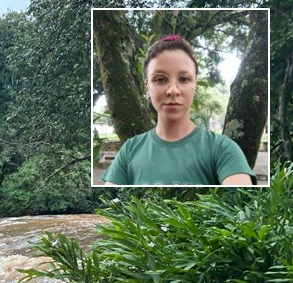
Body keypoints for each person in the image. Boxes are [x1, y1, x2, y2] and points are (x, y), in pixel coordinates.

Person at [103, 35, 256, 186]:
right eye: (160, 79)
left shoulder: (222, 149)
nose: (173, 91)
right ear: (147, 86)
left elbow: (238, 202)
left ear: (194, 84)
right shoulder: (130, 150)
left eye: (184, 79)